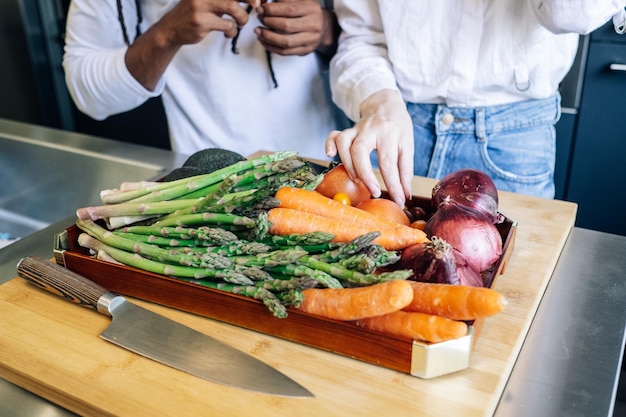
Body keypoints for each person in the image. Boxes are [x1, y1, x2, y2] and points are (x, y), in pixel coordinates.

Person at [326, 1, 626, 207]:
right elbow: (362, 35)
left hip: (511, 138)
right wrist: (380, 103)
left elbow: (570, 15)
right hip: (397, 126)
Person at [63, 0, 342, 161]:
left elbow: (375, 39)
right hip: (202, 186)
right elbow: (88, 96)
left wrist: (327, 30)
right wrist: (167, 34)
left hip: (322, 163)